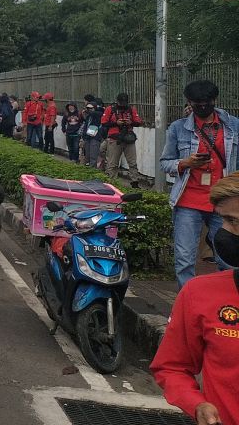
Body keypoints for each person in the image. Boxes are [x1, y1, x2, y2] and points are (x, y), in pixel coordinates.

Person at [152, 174, 239, 425]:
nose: (224, 233)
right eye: (225, 220)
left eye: (235, 222)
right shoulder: (198, 294)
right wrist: (196, 403)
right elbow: (171, 367)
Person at [160, 80, 239, 290]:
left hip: (222, 202)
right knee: (184, 258)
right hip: (188, 201)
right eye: (197, 103)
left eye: (206, 102)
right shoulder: (178, 128)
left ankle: (228, 301)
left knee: (227, 256)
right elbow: (165, 163)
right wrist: (186, 163)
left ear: (214, 100)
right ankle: (187, 303)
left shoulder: (233, 126)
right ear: (189, 102)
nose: (202, 106)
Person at [101, 92, 143, 185]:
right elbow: (104, 123)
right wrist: (116, 123)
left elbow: (138, 122)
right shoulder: (110, 109)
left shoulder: (131, 109)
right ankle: (112, 183)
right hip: (114, 138)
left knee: (132, 163)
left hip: (128, 138)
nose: (123, 104)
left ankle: (134, 182)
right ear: (117, 101)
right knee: (113, 163)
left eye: (125, 102)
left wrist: (130, 122)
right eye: (121, 102)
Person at [82, 96, 103, 168]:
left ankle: (93, 171)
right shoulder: (88, 116)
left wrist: (90, 112)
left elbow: (99, 113)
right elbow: (85, 126)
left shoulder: (99, 114)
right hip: (87, 137)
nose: (89, 110)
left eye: (91, 108)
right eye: (88, 108)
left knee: (93, 156)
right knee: (87, 155)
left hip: (95, 137)